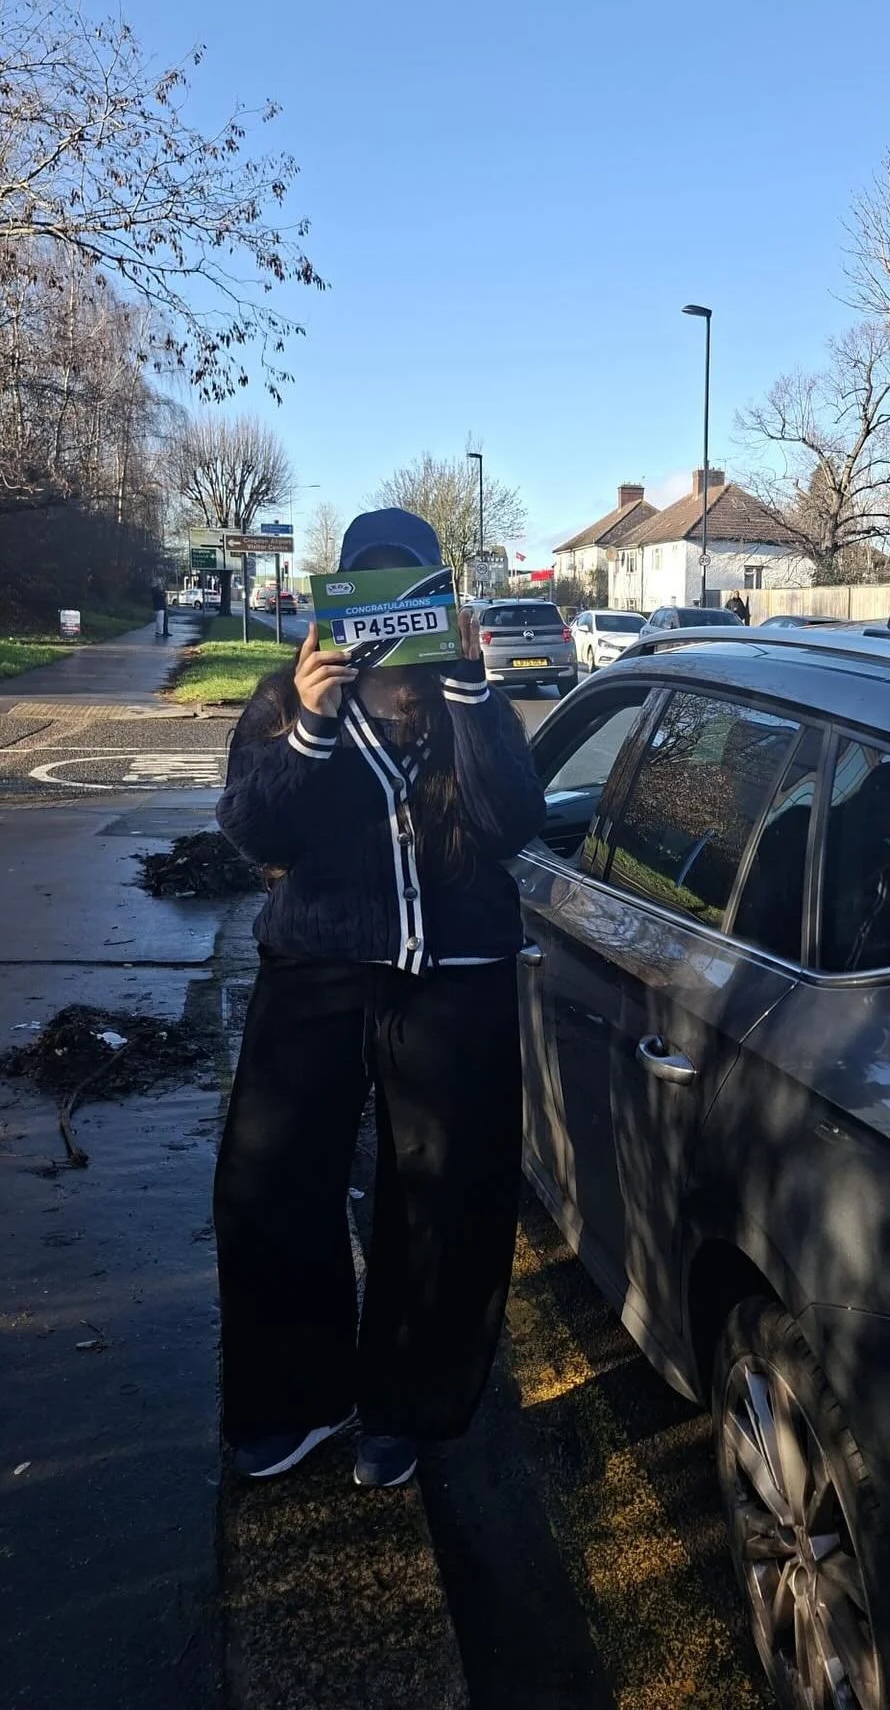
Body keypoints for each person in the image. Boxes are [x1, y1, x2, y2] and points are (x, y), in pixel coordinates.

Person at [212, 508, 545, 1489]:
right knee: (266, 1184)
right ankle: (293, 1399)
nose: (387, 613)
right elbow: (254, 830)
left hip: (457, 975)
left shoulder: (465, 697)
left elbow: (514, 823)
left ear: (433, 594)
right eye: (370, 586)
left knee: (446, 1197)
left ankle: (407, 1407)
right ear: (343, 593)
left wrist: (477, 695)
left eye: (409, 588)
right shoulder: (287, 694)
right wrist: (311, 725)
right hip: (315, 964)